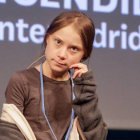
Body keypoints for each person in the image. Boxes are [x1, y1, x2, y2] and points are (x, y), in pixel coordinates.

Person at [0, 11, 107, 140]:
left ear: (84, 55)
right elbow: (9, 133)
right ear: (47, 38)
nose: (62, 54)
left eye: (73, 49)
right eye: (58, 42)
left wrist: (86, 93)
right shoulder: (22, 81)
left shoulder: (81, 89)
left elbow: (97, 137)